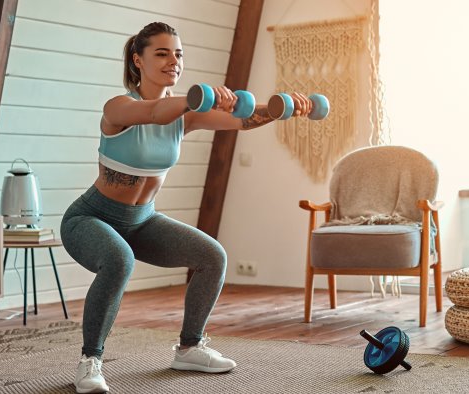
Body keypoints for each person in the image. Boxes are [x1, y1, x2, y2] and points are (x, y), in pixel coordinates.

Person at [60, 21, 313, 393]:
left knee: (212, 256)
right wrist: (200, 97)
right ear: (137, 60)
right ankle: (90, 362)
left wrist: (281, 107)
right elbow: (156, 113)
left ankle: (190, 347)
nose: (173, 60)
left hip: (142, 221)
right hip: (90, 218)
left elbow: (243, 119)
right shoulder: (118, 107)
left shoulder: (187, 113)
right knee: (119, 260)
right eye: (161, 53)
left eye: (178, 53)